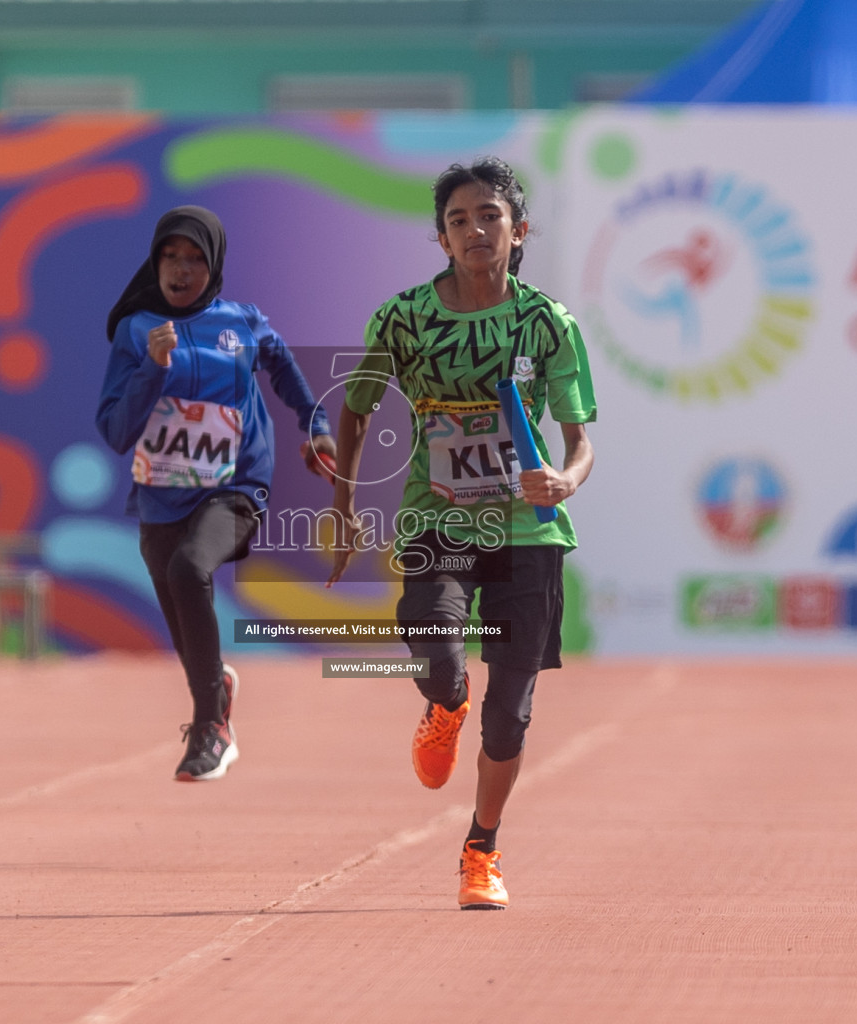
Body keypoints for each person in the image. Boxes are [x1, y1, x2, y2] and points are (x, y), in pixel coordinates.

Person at [327, 158, 596, 910]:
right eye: (459, 220)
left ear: (519, 230)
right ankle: (441, 707)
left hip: (527, 531)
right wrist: (344, 505)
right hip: (438, 518)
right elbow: (356, 409)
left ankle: (482, 847)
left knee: (509, 710)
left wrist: (566, 480)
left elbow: (580, 440)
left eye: (490, 217)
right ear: (440, 238)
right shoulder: (404, 319)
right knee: (444, 661)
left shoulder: (546, 322)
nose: (476, 230)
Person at [98, 205, 336, 781]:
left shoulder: (242, 322)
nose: (181, 270)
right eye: (170, 257)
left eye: (196, 259)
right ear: (154, 263)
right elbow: (114, 430)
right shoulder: (138, 332)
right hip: (161, 495)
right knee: (181, 606)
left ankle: (212, 728)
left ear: (216, 265)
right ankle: (215, 690)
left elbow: (282, 368)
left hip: (236, 485)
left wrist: (316, 425)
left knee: (189, 569)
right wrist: (153, 368)